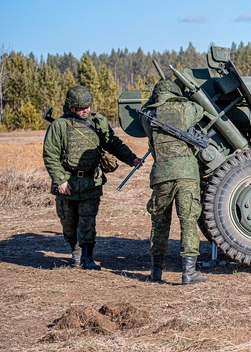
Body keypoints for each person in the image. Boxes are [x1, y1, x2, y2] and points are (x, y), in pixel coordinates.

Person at [43, 85, 141, 270]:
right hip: (68, 183)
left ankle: (86, 258)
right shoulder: (59, 127)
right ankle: (75, 251)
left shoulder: (97, 122)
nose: (86, 110)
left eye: (87, 106)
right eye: (81, 108)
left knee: (88, 221)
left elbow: (112, 143)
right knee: (69, 224)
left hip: (90, 182)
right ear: (71, 107)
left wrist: (130, 158)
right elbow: (51, 156)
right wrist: (60, 181)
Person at [140, 79, 208, 285]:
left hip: (161, 174)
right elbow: (199, 109)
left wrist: (152, 101)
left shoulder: (148, 115)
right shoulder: (185, 109)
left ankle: (155, 272)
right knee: (188, 221)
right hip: (186, 173)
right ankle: (188, 273)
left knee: (159, 223)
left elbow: (144, 117)